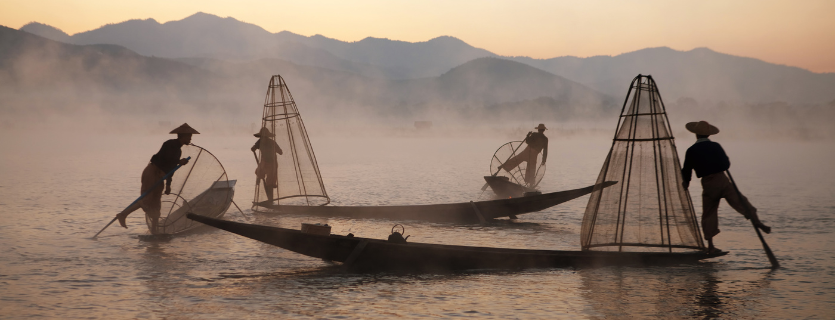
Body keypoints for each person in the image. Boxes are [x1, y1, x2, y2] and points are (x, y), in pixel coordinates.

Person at [681, 121, 771, 253]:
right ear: (708, 134)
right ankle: (756, 220)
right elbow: (726, 164)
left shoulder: (691, 150)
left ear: (696, 135)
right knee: (741, 201)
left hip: (708, 183)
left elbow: (687, 170)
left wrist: (686, 183)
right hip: (722, 179)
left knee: (709, 213)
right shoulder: (716, 146)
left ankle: (711, 246)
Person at [116, 123, 197, 234]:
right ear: (183, 136)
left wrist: (168, 185)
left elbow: (171, 168)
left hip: (160, 176)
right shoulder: (169, 144)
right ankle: (123, 214)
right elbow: (166, 159)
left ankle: (155, 232)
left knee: (156, 204)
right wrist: (179, 162)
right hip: (152, 172)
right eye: (189, 136)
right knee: (146, 200)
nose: (190, 139)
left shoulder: (178, 150)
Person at [252, 127, 283, 202]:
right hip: (264, 162)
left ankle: (270, 200)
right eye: (263, 137)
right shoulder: (259, 142)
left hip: (272, 163)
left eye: (265, 137)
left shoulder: (272, 142)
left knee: (270, 183)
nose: (264, 138)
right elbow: (253, 148)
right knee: (258, 172)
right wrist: (254, 149)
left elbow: (280, 152)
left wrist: (275, 149)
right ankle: (259, 179)